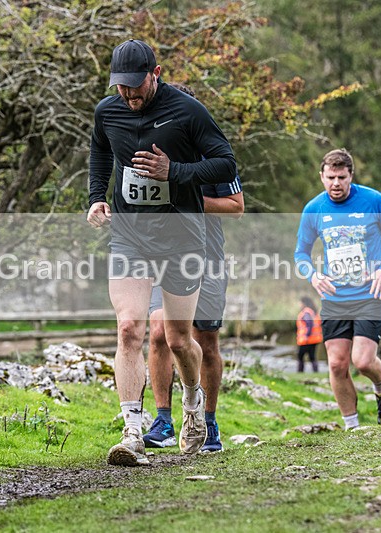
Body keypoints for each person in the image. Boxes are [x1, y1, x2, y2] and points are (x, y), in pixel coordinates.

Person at [87, 39, 237, 466]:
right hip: (130, 235)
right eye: (121, 86)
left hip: (182, 238)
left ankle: (192, 401)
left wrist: (176, 172)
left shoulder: (188, 111)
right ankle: (132, 431)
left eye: (135, 85)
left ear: (155, 73)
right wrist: (97, 197)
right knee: (129, 329)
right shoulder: (107, 111)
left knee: (178, 339)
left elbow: (225, 162)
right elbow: (99, 151)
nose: (128, 94)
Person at [143, 83, 243, 454]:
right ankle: (164, 421)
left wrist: (188, 194)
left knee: (205, 341)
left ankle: (208, 423)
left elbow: (236, 206)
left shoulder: (211, 153)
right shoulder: (148, 151)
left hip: (206, 257)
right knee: (159, 333)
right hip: (161, 255)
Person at [294, 149, 381, 429]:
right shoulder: (314, 209)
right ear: (321, 177)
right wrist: (313, 276)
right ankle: (352, 427)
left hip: (370, 295)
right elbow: (301, 253)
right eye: (330, 177)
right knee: (336, 364)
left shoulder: (373, 200)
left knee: (363, 361)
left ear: (351, 176)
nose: (336, 183)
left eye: (342, 178)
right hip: (335, 298)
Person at [296, 296, 322, 373]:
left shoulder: (306, 312)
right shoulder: (312, 312)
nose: (299, 304)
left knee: (300, 356)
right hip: (314, 339)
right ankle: (315, 371)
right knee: (312, 356)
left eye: (300, 303)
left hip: (306, 340)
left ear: (304, 303)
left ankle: (300, 372)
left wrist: (307, 335)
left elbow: (309, 323)